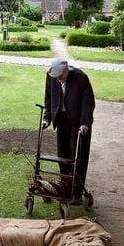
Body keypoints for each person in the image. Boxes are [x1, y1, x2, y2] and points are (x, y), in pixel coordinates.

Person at [41, 58, 95, 204]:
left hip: (78, 123)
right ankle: (64, 187)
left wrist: (85, 123)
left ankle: (76, 193)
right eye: (55, 77)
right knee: (63, 155)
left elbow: (88, 102)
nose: (58, 79)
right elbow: (49, 97)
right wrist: (47, 118)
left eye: (60, 76)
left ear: (67, 70)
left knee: (77, 157)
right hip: (62, 120)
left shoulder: (80, 77)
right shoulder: (52, 76)